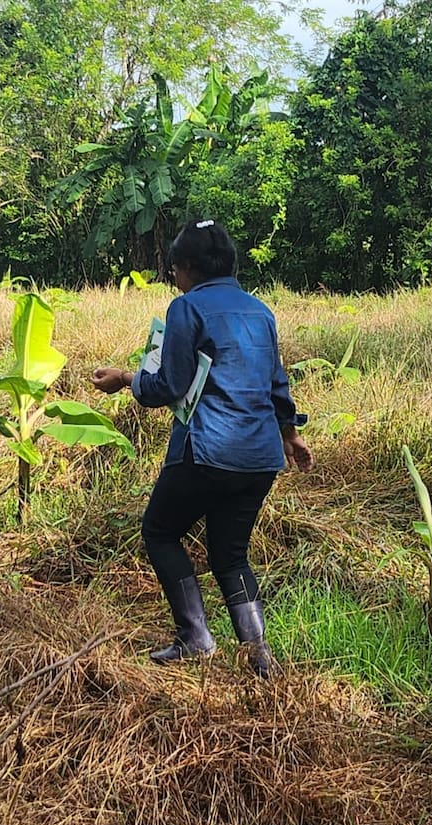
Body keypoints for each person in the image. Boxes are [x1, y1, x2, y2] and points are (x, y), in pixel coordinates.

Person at [90, 220, 314, 677]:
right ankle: (259, 657)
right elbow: (277, 383)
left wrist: (125, 379)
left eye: (174, 270)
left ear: (189, 268)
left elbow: (168, 384)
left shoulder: (186, 309)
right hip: (260, 457)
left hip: (209, 449)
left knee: (160, 531)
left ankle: (195, 639)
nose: (175, 278)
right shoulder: (259, 311)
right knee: (230, 554)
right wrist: (290, 436)